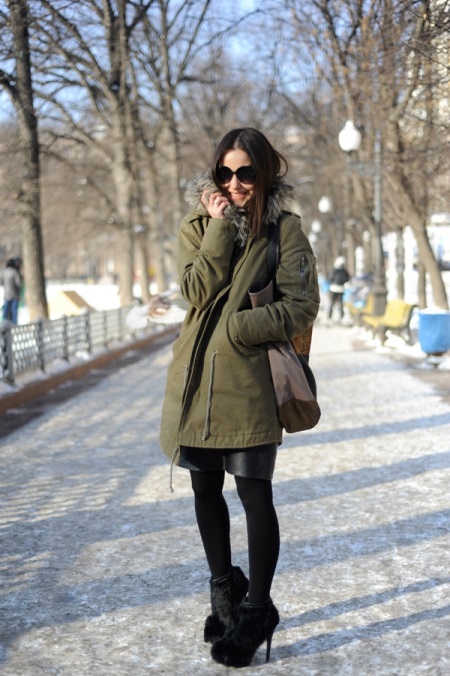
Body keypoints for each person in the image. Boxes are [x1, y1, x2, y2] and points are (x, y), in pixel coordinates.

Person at [159, 128, 320, 668]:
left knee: (254, 494)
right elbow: (194, 291)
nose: (235, 183)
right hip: (196, 384)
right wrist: (219, 229)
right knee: (205, 490)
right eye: (224, 172)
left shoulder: (284, 231)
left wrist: (240, 328)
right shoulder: (198, 225)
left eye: (246, 172)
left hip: (250, 384)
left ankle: (255, 611)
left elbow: (301, 305)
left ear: (264, 173)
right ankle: (224, 593)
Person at [327, 256, 350, 323]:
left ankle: (339, 317)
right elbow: (330, 279)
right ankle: (330, 317)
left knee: (339, 304)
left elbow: (330, 279)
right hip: (335, 289)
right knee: (335, 303)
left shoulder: (338, 271)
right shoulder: (338, 271)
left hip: (339, 289)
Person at [1, 258, 22, 325]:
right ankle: (14, 325)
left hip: (6, 295)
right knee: (14, 312)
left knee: (5, 311)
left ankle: (3, 324)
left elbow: (1, 282)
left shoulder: (3, 272)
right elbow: (19, 284)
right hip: (14, 295)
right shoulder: (14, 272)